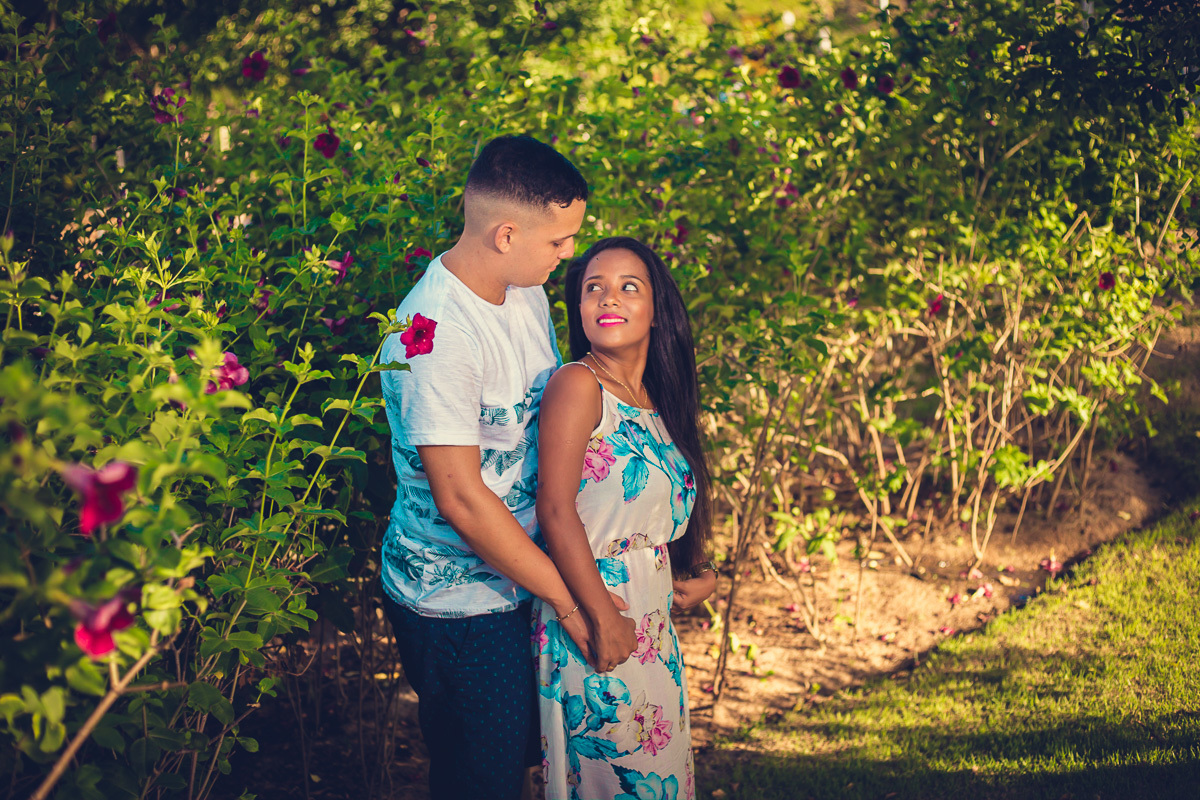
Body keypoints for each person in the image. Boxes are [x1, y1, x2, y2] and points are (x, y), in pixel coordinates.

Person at [378, 134, 601, 800]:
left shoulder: (522, 287)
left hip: (519, 575)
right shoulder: (434, 333)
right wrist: (566, 597)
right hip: (458, 602)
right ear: (506, 233)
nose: (569, 253)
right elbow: (461, 499)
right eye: (560, 240)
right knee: (484, 780)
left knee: (519, 763)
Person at [534, 236, 717, 799]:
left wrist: (694, 574)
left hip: (655, 627)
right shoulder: (577, 384)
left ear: (658, 311)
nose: (607, 298)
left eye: (627, 287)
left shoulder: (656, 404)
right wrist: (600, 617)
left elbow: (655, 514)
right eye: (593, 287)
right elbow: (555, 510)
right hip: (596, 616)